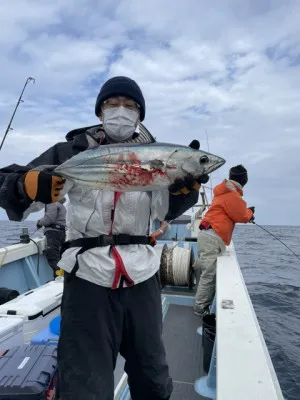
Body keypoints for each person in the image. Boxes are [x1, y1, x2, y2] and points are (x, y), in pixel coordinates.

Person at [0, 76, 210, 400]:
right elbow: (9, 183)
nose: (121, 110)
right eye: (113, 103)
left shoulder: (158, 157)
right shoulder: (70, 151)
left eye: (130, 105)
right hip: (87, 279)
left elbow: (163, 211)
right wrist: (24, 186)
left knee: (153, 381)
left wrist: (184, 193)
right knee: (85, 388)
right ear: (100, 111)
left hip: (142, 277)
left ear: (140, 114)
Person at [194, 165, 255, 317]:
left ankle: (200, 301)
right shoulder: (232, 195)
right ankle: (199, 308)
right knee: (209, 275)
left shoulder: (223, 191)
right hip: (213, 237)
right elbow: (241, 215)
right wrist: (250, 213)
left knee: (205, 270)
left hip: (207, 235)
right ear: (244, 179)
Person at [36, 197, 67, 278]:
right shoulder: (62, 206)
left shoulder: (52, 203)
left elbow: (49, 219)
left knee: (53, 257)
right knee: (60, 256)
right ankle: (63, 277)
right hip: (62, 233)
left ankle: (59, 278)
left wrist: (39, 222)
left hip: (53, 233)